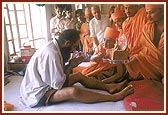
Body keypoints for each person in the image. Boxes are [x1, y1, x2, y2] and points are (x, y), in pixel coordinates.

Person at [20, 29, 134, 107]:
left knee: (79, 75)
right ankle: (113, 97)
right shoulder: (51, 54)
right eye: (74, 47)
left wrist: (71, 65)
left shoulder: (55, 47)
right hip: (38, 94)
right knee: (73, 92)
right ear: (67, 43)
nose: (74, 50)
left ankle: (109, 87)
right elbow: (59, 85)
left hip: (49, 84)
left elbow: (59, 77)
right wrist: (70, 65)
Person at [125, 4, 164, 82]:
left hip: (163, 62)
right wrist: (133, 55)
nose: (148, 16)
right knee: (131, 61)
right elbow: (142, 47)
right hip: (152, 62)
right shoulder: (147, 27)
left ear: (162, 11)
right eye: (147, 13)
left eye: (152, 12)